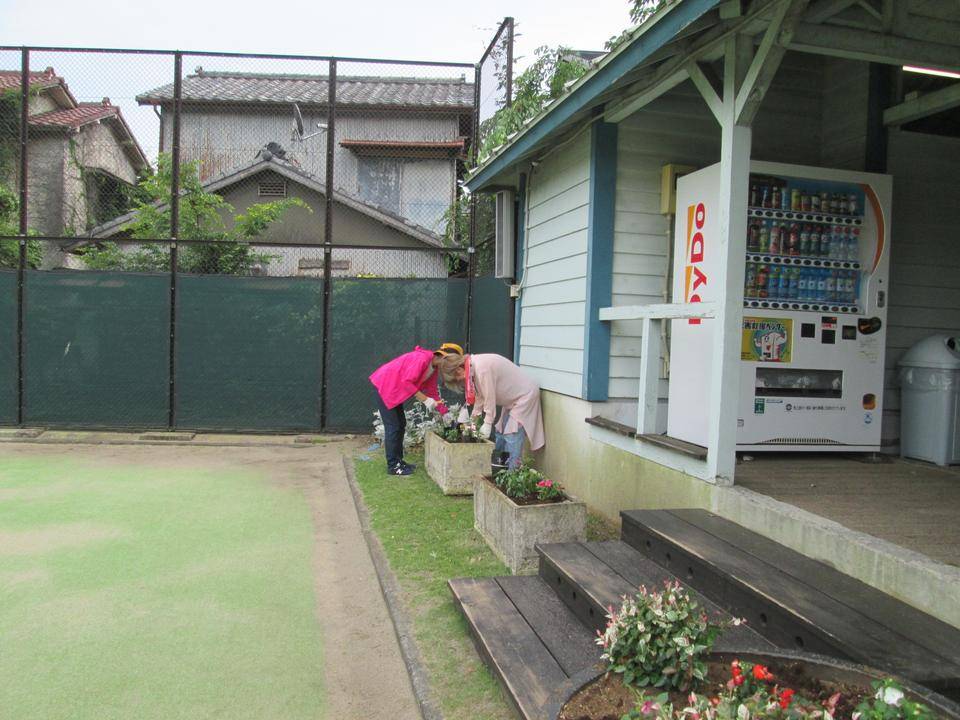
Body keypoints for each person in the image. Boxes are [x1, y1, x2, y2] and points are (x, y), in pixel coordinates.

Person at [438, 352, 544, 470]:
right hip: (512, 399)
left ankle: (512, 473)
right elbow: (480, 397)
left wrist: (488, 422)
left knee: (511, 435)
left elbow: (489, 398)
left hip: (525, 395)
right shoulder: (473, 368)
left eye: (456, 378)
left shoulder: (482, 368)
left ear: (458, 369)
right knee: (500, 432)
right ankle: (499, 470)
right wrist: (473, 421)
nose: (458, 380)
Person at [370, 343, 462, 476]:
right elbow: (406, 382)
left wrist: (445, 414)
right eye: (451, 364)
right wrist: (425, 400)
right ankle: (393, 466)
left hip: (394, 389)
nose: (450, 370)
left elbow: (432, 392)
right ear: (444, 357)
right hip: (385, 385)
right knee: (394, 426)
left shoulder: (433, 368)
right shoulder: (422, 359)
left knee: (401, 424)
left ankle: (398, 461)